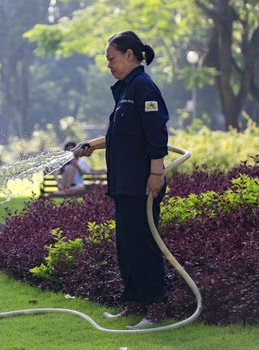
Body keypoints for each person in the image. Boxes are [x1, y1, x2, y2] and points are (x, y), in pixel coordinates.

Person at [72, 31, 169, 330]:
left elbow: (156, 135)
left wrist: (156, 174)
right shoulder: (126, 89)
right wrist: (92, 144)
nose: (109, 65)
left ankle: (155, 310)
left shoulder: (144, 87)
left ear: (129, 55)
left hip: (142, 183)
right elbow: (122, 134)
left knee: (143, 244)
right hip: (125, 184)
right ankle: (133, 303)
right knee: (126, 245)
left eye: (111, 59)